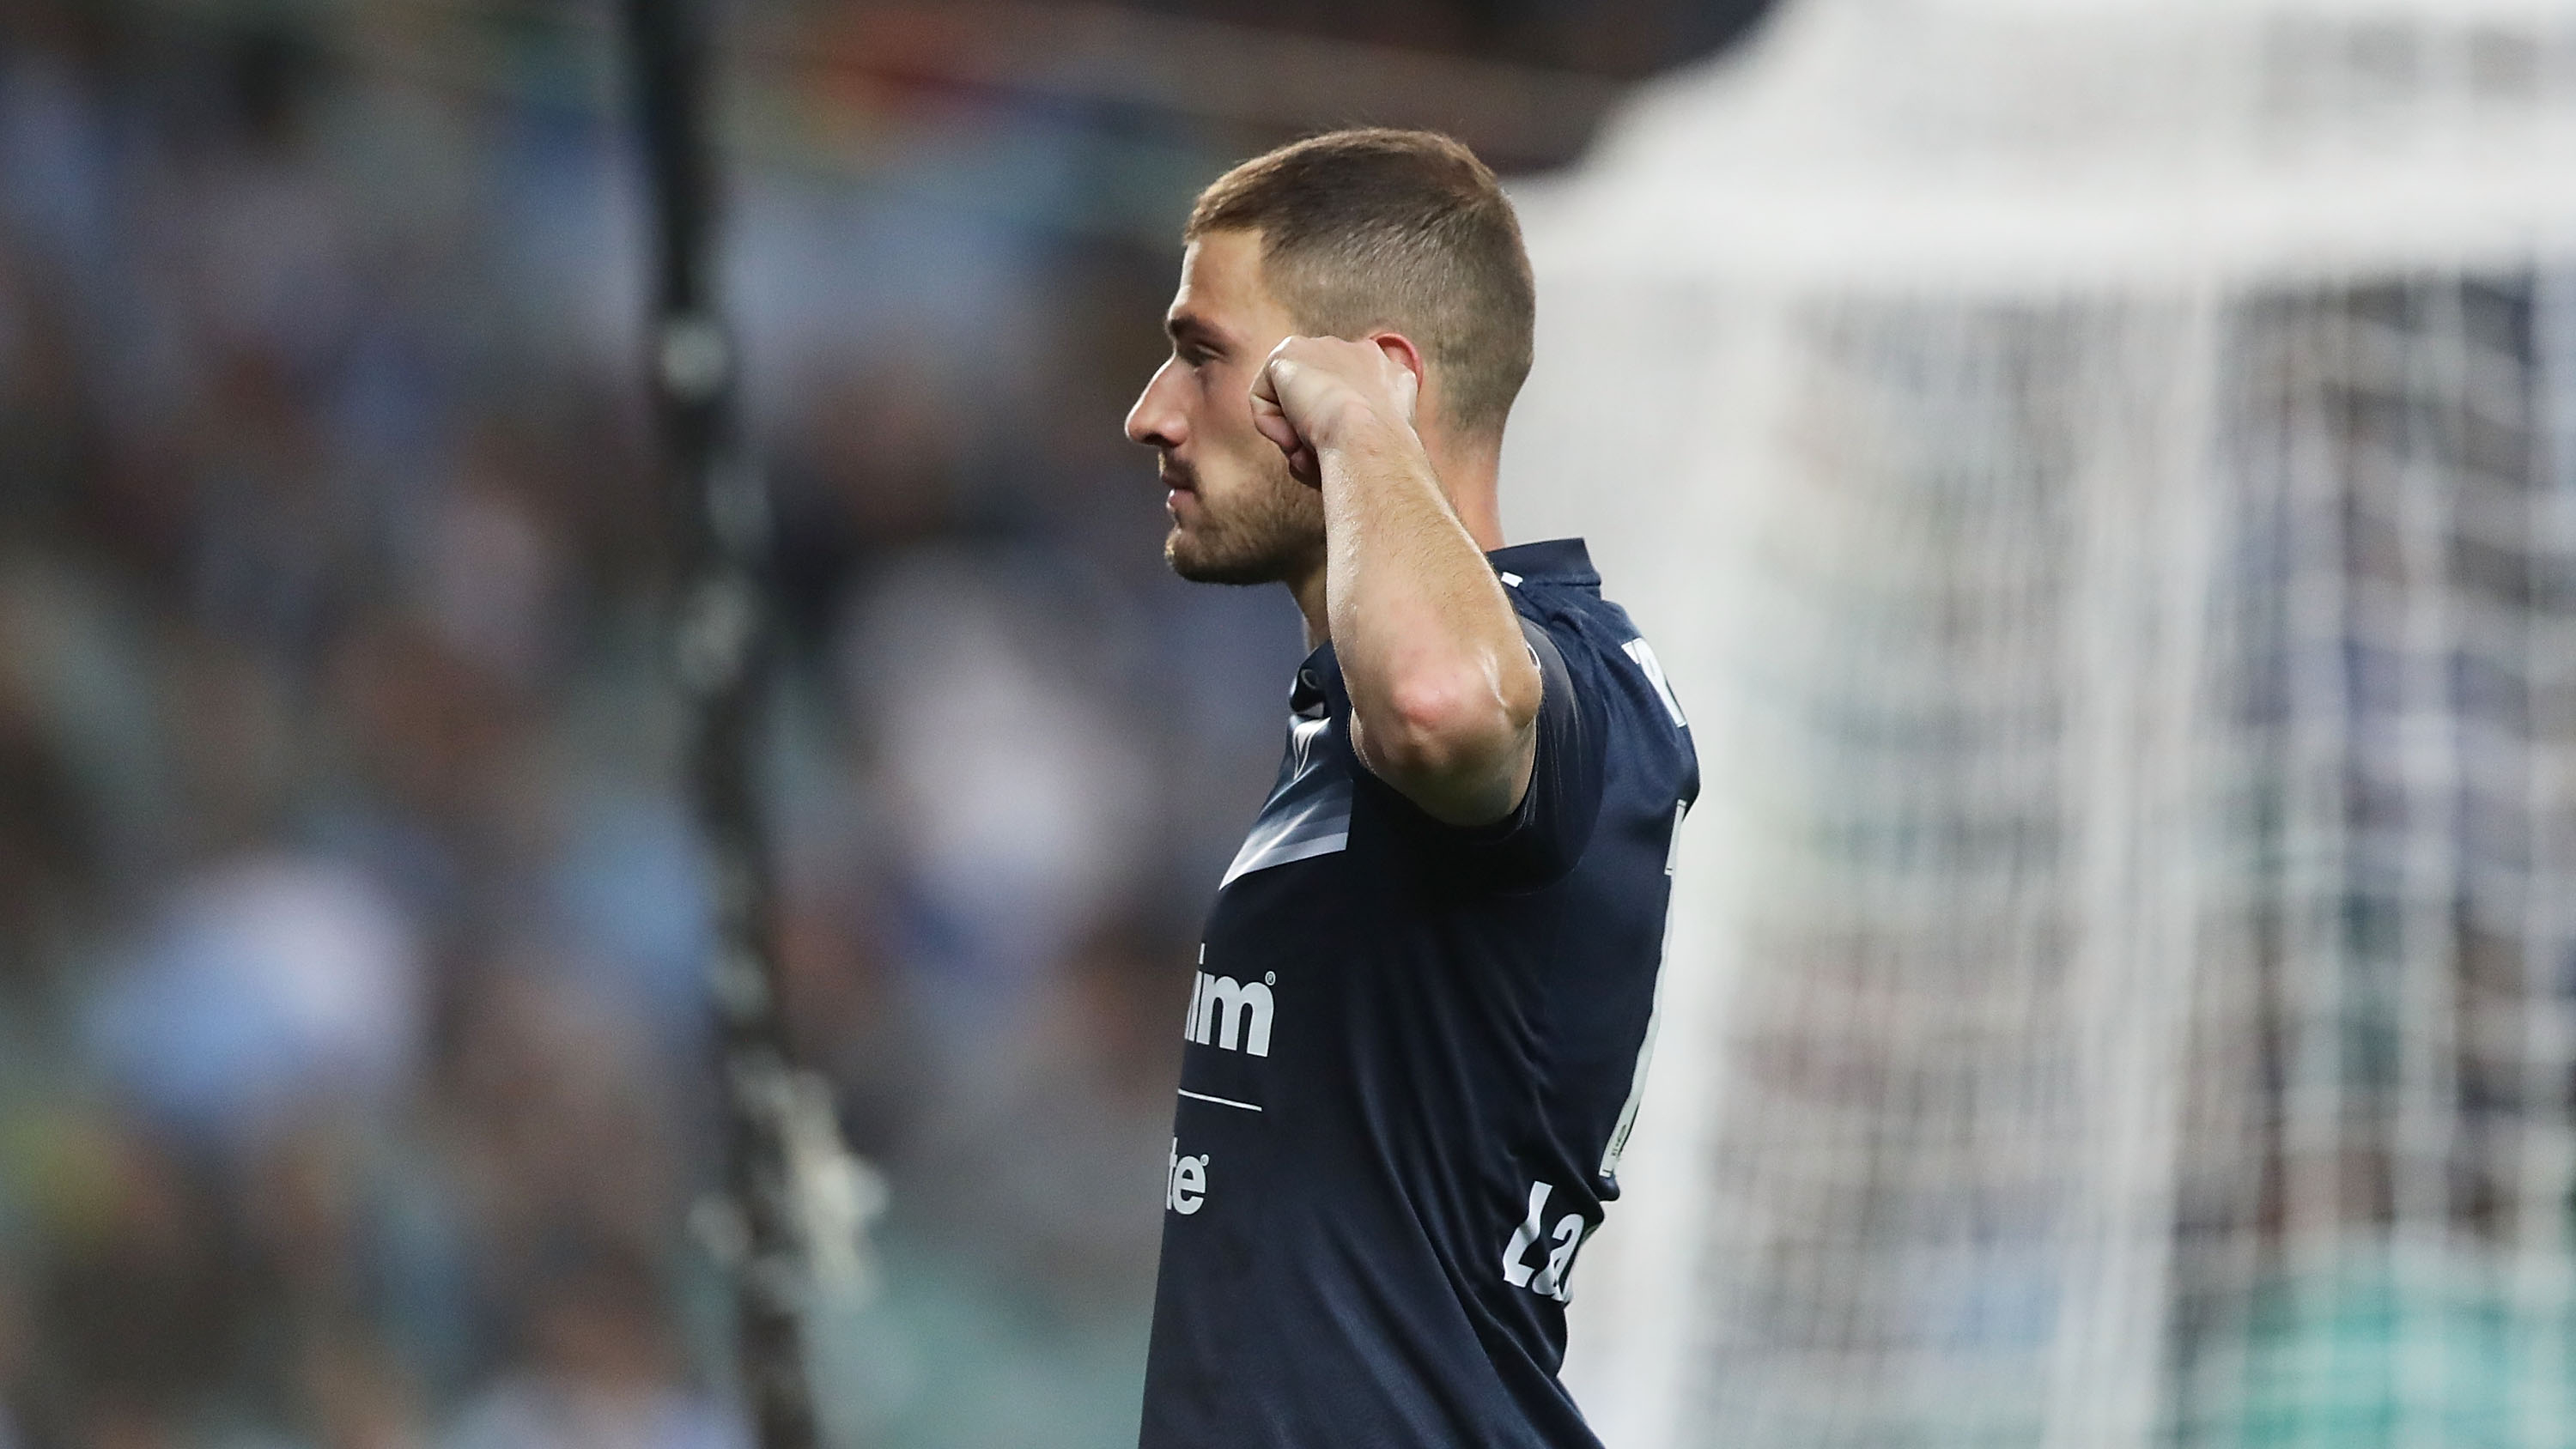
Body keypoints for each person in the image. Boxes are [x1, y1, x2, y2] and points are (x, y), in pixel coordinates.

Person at [1121, 128, 1700, 1448]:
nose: (1152, 409)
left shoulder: (1564, 679)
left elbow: (1444, 703)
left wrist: (1358, 428)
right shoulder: (1351, 723)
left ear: (1372, 380)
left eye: (1206, 353)